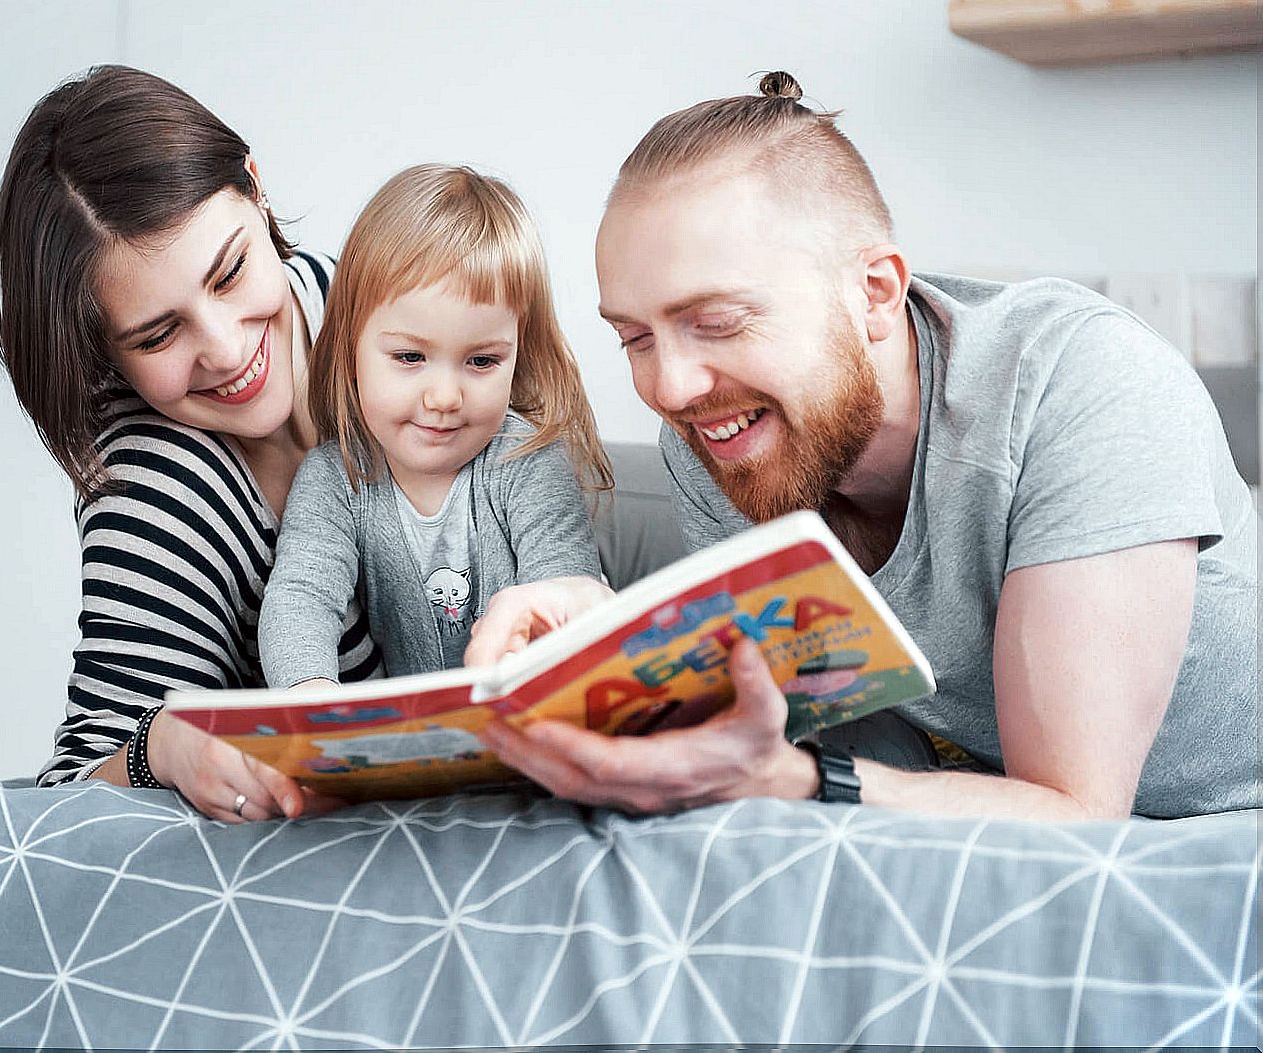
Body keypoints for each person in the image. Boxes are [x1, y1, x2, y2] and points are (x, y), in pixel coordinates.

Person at [468, 71, 1259, 821]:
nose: (670, 389)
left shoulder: (1082, 381)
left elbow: (1076, 811)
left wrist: (796, 781)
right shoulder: (723, 430)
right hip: (983, 795)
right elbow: (836, 731)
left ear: (874, 293)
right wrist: (620, 643)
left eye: (717, 322)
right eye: (635, 337)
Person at [0, 65, 381, 823]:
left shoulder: (374, 307)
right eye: (158, 333)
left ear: (257, 192)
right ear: (108, 356)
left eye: (229, 273)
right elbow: (67, 798)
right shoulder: (162, 483)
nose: (227, 351)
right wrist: (160, 746)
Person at [259, 165, 609, 690]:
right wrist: (311, 697)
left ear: (518, 353)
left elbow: (562, 589)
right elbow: (301, 598)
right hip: (420, 745)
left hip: (537, 716)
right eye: (409, 356)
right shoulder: (337, 478)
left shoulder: (527, 458)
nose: (444, 398)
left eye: (482, 362)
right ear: (351, 345)